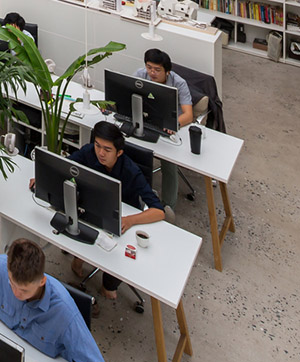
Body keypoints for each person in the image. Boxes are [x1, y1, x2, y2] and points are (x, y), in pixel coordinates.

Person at [66, 121, 165, 300]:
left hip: (122, 217)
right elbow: (64, 166)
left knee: (115, 267)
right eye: (98, 146)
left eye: (107, 149)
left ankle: (108, 284)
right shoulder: (90, 152)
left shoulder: (131, 171)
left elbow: (159, 211)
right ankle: (79, 258)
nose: (100, 153)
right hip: (92, 207)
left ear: (119, 152)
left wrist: (130, 220)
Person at [135, 48, 206, 215]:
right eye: (149, 67)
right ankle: (138, 197)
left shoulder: (178, 83)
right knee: (133, 150)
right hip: (147, 120)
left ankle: (167, 207)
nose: (152, 72)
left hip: (174, 126)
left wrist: (173, 124)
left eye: (157, 70)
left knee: (169, 160)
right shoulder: (140, 75)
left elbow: (188, 115)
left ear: (167, 71)